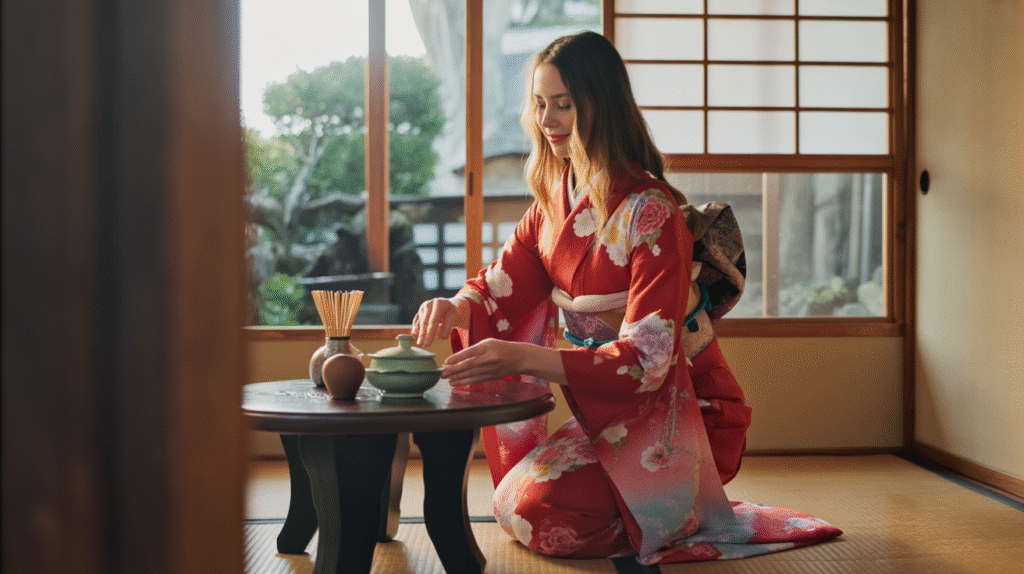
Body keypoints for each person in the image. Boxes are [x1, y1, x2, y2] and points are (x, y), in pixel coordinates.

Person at [411, 31, 840, 566]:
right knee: (513, 503)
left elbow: (649, 360)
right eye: (540, 105)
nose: (547, 120)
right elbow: (502, 284)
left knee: (541, 515)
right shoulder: (551, 205)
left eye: (563, 104)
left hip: (683, 411)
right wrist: (456, 306)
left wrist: (523, 357)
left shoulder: (650, 210)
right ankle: (657, 514)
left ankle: (676, 514)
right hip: (606, 410)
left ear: (602, 104)